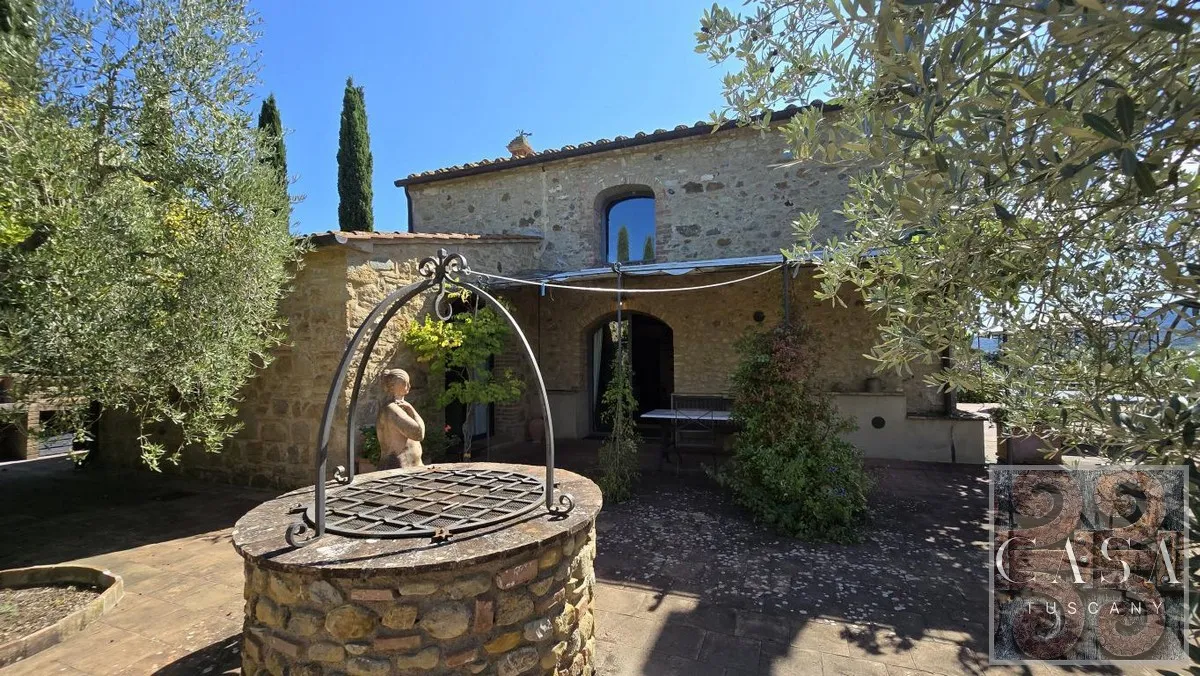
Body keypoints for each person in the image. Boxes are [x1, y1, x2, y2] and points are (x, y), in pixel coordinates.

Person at [375, 368, 425, 469]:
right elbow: (418, 433)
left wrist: (409, 408)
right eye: (404, 383)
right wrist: (412, 410)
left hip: (410, 468)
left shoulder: (401, 407)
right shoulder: (392, 409)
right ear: (392, 386)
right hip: (399, 468)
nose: (408, 386)